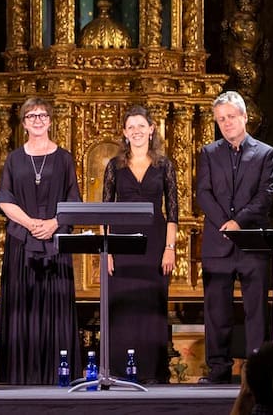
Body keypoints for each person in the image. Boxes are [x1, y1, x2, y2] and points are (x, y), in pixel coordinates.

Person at [0, 96, 82, 384]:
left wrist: (54, 224)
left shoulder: (64, 158)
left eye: (42, 115)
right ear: (23, 123)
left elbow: (74, 199)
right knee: (23, 306)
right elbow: (4, 199)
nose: (37, 120)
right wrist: (31, 224)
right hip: (22, 242)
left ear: (50, 120)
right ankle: (22, 376)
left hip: (55, 244)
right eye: (31, 116)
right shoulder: (14, 158)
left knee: (55, 309)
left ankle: (58, 374)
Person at [196, 91, 273, 384]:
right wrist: (224, 223)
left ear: (244, 117)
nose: (226, 123)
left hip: (252, 242)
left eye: (231, 117)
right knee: (217, 310)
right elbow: (202, 193)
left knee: (256, 311)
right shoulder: (208, 153)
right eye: (221, 119)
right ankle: (218, 368)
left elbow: (265, 195)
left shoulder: (265, 153)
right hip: (218, 243)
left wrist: (238, 222)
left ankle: (256, 371)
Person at [102, 105, 178, 384]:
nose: (136, 131)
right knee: (122, 308)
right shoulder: (115, 166)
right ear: (124, 132)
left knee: (150, 305)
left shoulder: (164, 165)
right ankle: (118, 372)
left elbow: (173, 211)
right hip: (121, 244)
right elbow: (104, 209)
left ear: (151, 129)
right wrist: (106, 251)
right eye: (130, 127)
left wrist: (169, 248)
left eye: (141, 126)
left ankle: (152, 372)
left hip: (155, 243)